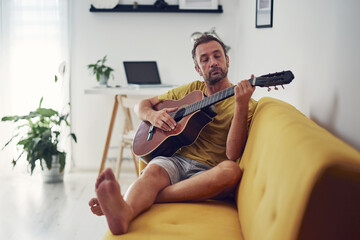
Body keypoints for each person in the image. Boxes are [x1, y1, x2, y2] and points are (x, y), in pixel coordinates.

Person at [89, 34, 257, 235]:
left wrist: (241, 105)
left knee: (231, 171)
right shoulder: (193, 91)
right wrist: (153, 115)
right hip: (177, 160)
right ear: (198, 69)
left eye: (217, 56)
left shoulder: (245, 103)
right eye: (205, 59)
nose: (213, 62)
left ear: (227, 60)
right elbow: (141, 105)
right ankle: (124, 215)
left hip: (209, 172)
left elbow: (231, 154)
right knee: (153, 171)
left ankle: (132, 198)